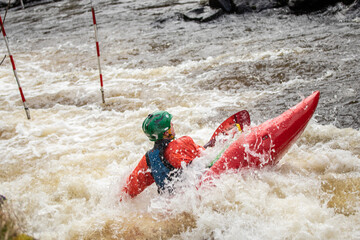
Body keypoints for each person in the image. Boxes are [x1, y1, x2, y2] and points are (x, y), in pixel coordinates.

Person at [120, 111, 205, 199]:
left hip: (168, 205)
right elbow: (206, 156)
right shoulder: (183, 143)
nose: (172, 124)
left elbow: (130, 189)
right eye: (170, 124)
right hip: (194, 195)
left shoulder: (149, 159)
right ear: (166, 133)